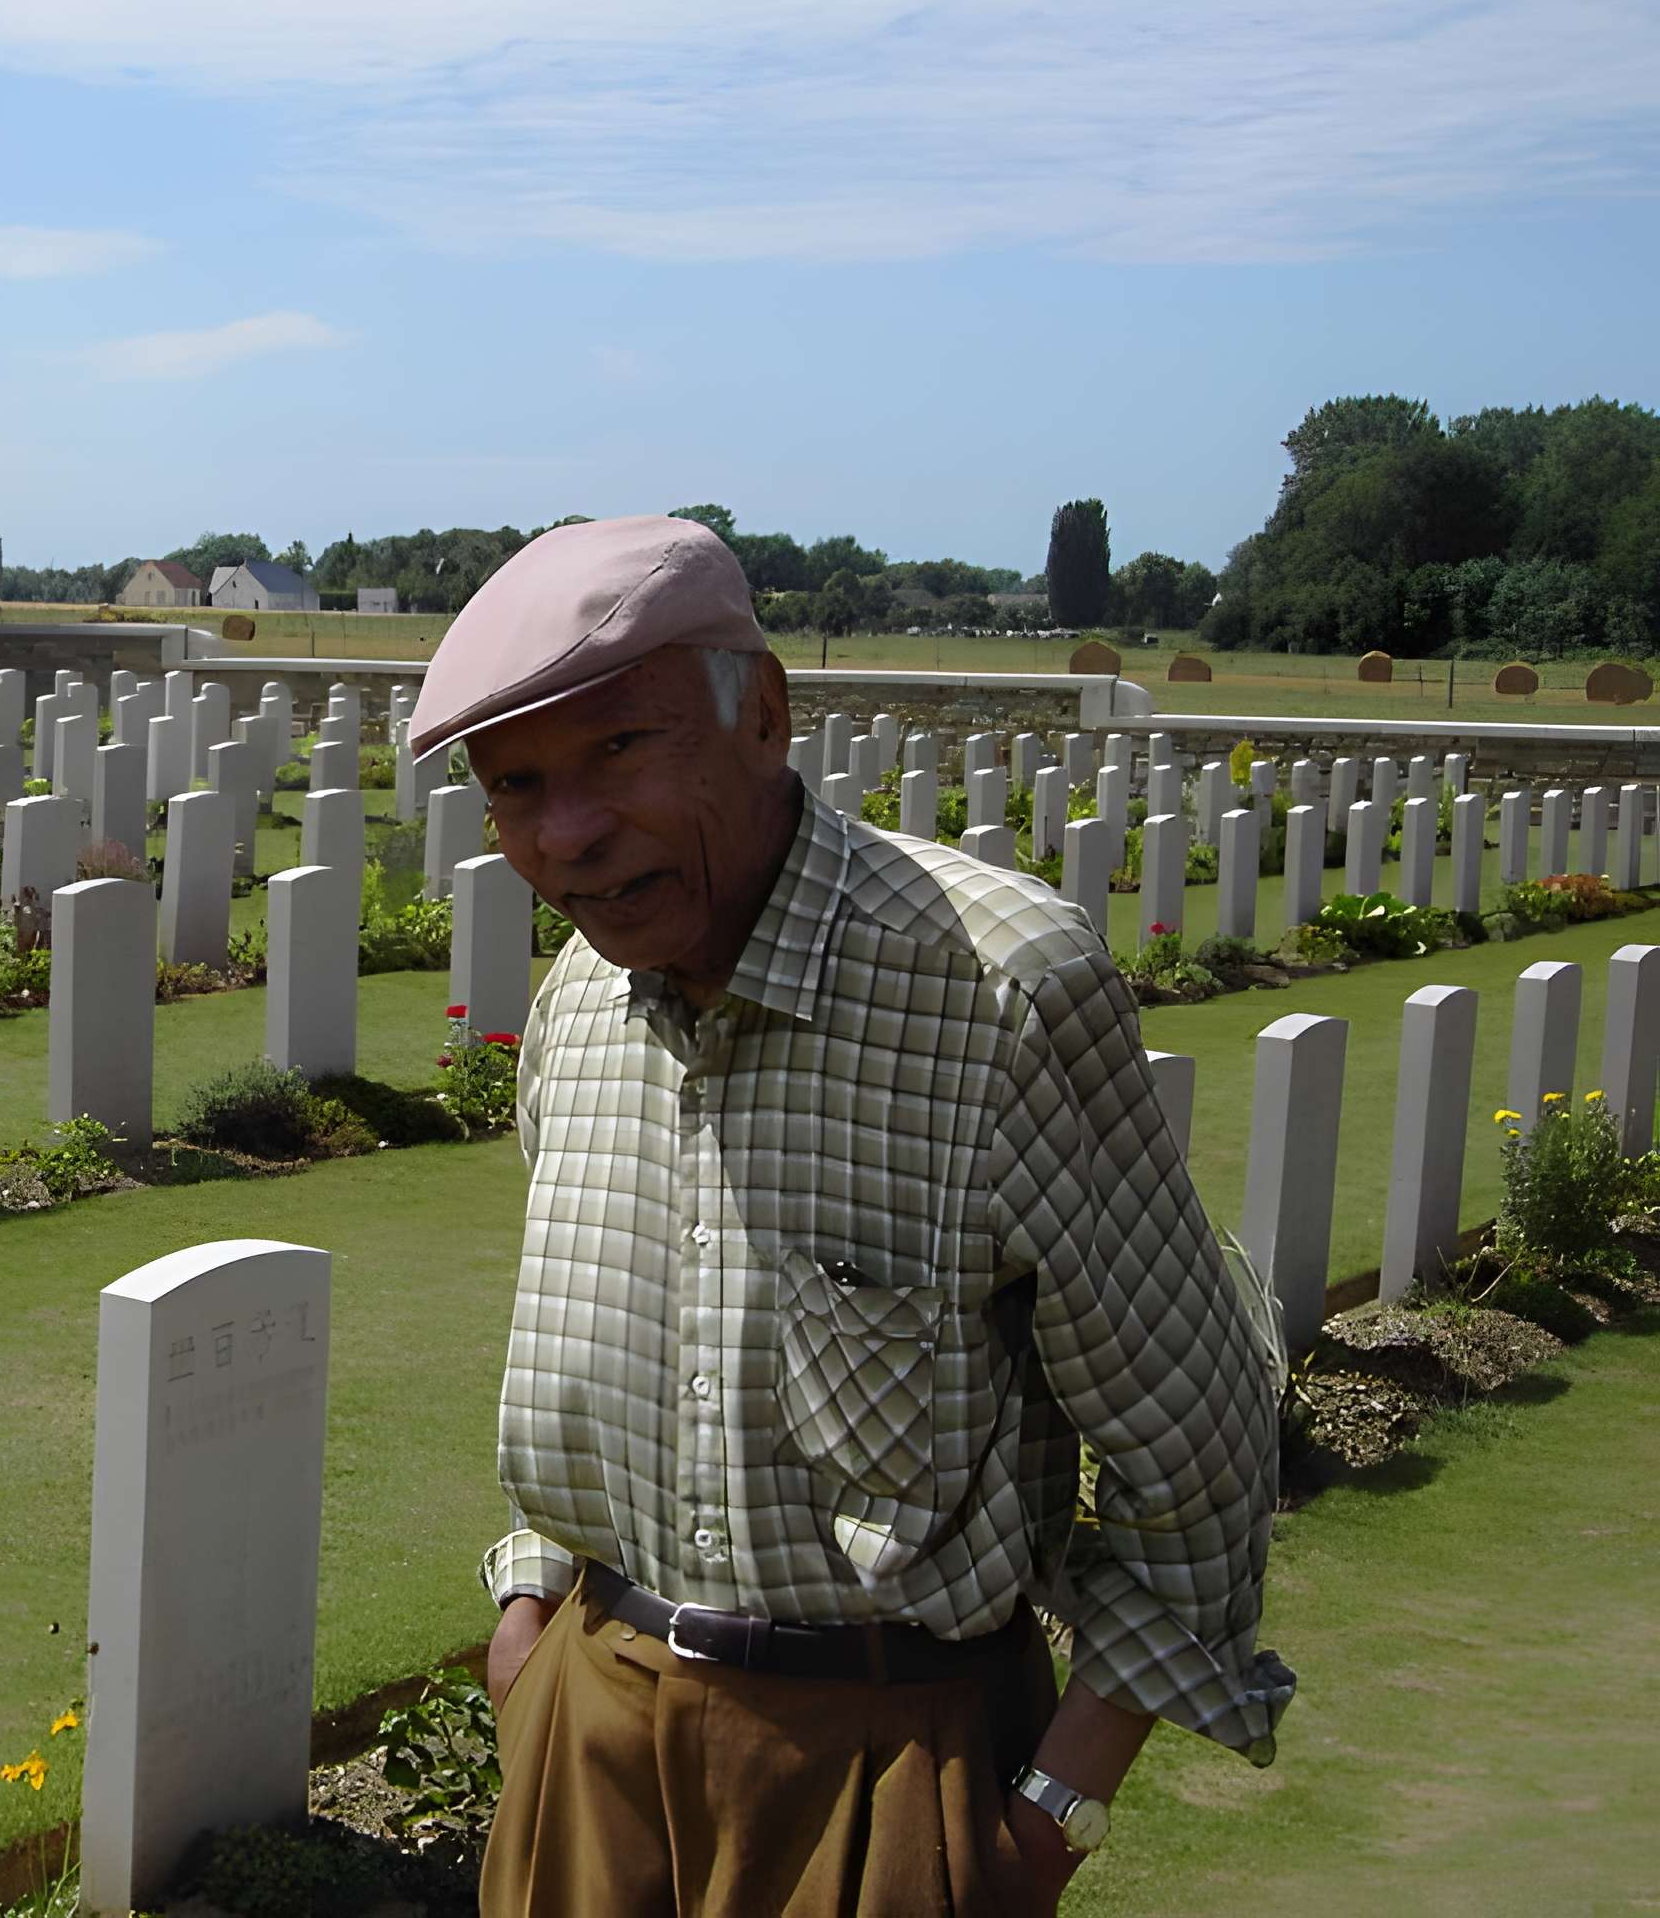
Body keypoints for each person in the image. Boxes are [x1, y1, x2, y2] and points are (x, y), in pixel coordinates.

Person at [411, 516, 1291, 1918]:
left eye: (621, 752)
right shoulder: (578, 1002)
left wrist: (1048, 1817)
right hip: (584, 1734)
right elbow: (593, 1373)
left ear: (761, 712)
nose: (567, 835)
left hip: (880, 1767)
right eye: (517, 785)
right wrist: (530, 1626)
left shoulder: (995, 993)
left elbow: (1202, 1459)